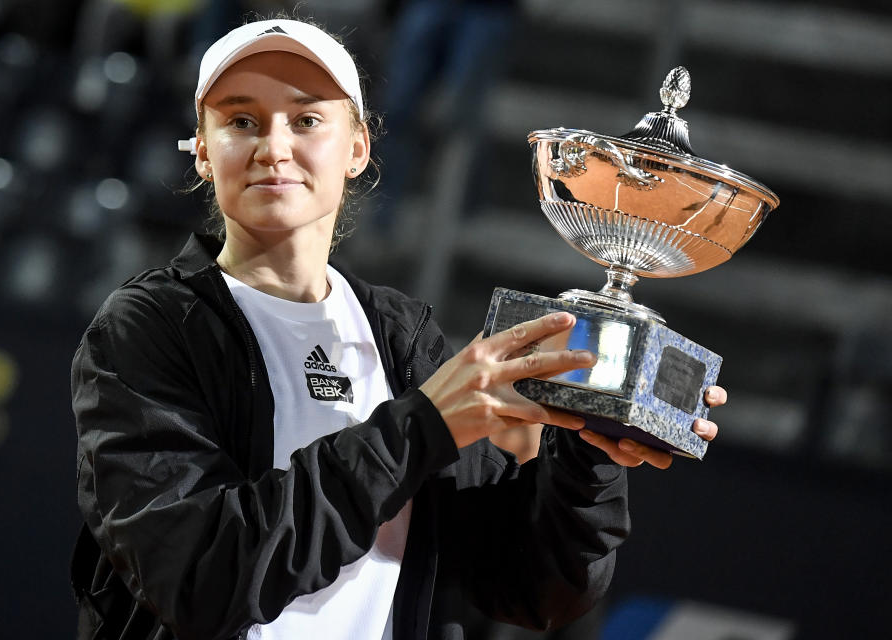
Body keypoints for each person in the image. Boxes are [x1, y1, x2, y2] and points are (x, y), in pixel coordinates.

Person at [70, 17, 724, 640]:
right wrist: (423, 426)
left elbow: (532, 590)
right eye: (241, 120)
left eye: (306, 120)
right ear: (204, 152)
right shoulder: (147, 328)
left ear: (357, 148)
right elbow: (198, 577)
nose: (274, 147)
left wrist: (588, 455)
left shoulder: (401, 336)